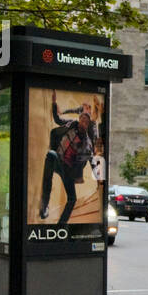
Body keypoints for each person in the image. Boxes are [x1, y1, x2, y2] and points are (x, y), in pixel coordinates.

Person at [38, 92, 97, 224]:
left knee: (72, 199)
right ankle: (44, 206)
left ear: (87, 126)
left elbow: (92, 160)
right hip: (59, 160)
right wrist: (54, 103)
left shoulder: (87, 144)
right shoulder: (71, 124)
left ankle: (61, 225)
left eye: (85, 121)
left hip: (69, 171)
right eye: (81, 119)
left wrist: (99, 177)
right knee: (50, 155)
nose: (82, 122)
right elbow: (58, 120)